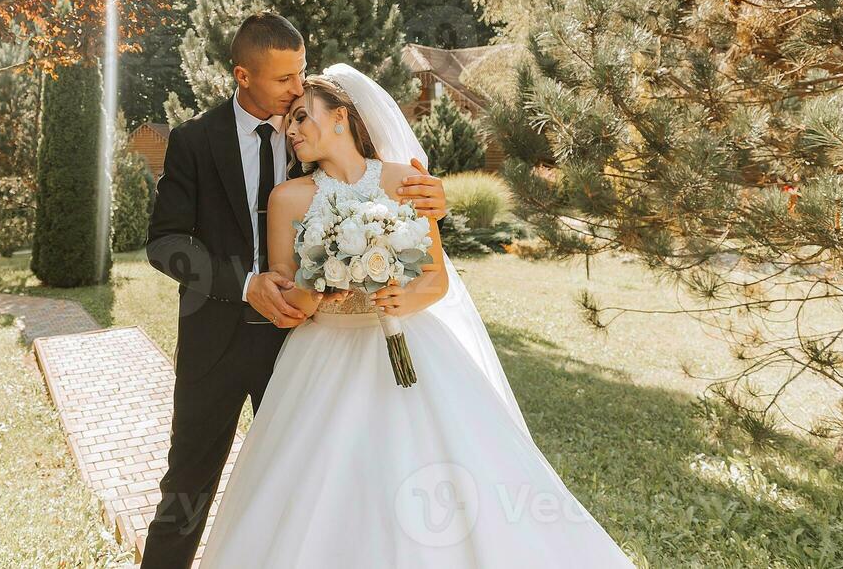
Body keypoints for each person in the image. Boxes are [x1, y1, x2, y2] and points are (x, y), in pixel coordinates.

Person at [197, 67, 637, 568]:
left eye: (301, 117)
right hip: (323, 356)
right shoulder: (288, 199)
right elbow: (288, 307)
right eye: (287, 126)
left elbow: (435, 279)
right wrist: (321, 286)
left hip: (413, 347)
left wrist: (397, 303)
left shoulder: (407, 181)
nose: (292, 131)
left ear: (341, 117)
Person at [143, 14, 448, 569]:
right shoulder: (193, 140)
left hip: (303, 345)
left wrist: (433, 201)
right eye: (284, 79)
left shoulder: (308, 130)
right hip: (217, 339)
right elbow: (165, 244)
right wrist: (243, 285)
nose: (294, 90)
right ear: (243, 75)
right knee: (188, 484)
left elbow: (380, 178)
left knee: (301, 483)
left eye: (301, 74)